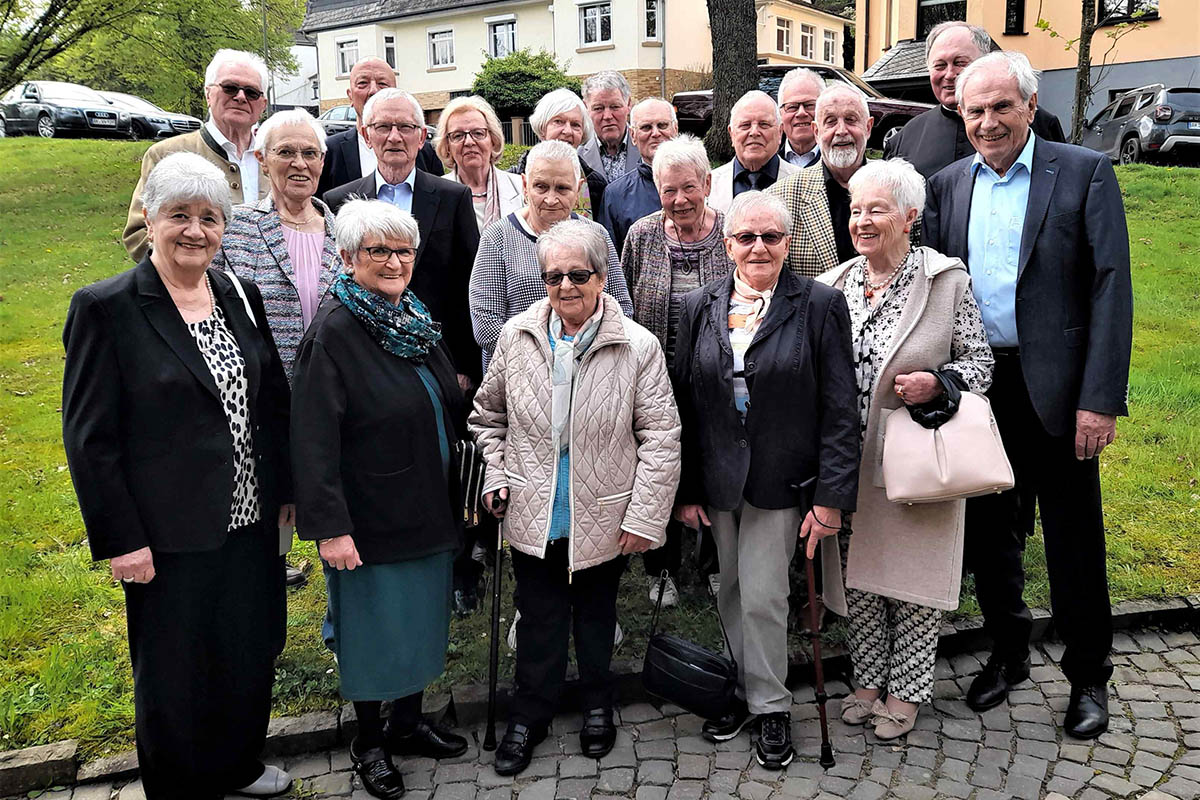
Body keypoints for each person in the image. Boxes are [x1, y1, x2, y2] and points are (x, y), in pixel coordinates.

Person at [63, 152, 293, 800]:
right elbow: (90, 437)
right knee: (172, 671)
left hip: (249, 520)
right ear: (149, 218)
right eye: (180, 216)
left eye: (209, 218)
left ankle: (239, 764)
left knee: (247, 651)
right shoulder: (106, 308)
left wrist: (286, 491)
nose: (196, 231)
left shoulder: (235, 292)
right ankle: (179, 787)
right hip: (165, 533)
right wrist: (122, 539)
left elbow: (271, 395)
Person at [923, 52, 1133, 739]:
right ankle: (1009, 654)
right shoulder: (948, 184)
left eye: (1000, 107)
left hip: (1060, 391)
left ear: (1030, 103)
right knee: (991, 536)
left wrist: (1098, 400)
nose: (987, 122)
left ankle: (1088, 676)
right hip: (981, 389)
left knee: (1074, 540)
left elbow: (1111, 290)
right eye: (974, 110)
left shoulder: (1081, 171)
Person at [470, 219, 681, 777]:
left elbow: (661, 436)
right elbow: (488, 417)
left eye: (578, 274)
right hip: (533, 509)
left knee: (595, 615)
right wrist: (495, 476)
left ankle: (596, 703)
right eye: (554, 276)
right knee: (537, 617)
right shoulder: (517, 337)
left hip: (604, 509)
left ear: (602, 276)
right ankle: (529, 714)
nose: (566, 286)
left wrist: (645, 515)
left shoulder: (638, 346)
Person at [671, 191, 859, 769]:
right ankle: (741, 690)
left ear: (787, 243)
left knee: (764, 596)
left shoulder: (819, 304)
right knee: (727, 590)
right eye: (746, 237)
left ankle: (773, 708)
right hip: (717, 476)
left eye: (771, 237)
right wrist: (685, 490)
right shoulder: (700, 304)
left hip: (783, 478)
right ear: (726, 245)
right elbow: (683, 400)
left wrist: (832, 498)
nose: (758, 247)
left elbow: (840, 408)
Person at [291, 199, 472, 799]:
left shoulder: (411, 316)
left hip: (425, 503)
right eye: (379, 251)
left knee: (421, 618)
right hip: (370, 516)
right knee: (371, 630)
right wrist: (330, 528)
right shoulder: (337, 329)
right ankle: (368, 740)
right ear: (347, 258)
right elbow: (313, 438)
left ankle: (409, 721)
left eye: (404, 251)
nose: (395, 262)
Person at [816, 159, 993, 739]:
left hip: (916, 457)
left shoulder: (946, 281)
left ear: (910, 216)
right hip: (850, 457)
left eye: (877, 210)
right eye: (856, 209)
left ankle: (908, 691)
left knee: (912, 580)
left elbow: (981, 363)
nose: (861, 220)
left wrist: (938, 383)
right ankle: (866, 681)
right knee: (858, 574)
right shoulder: (837, 284)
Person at [620, 133, 732, 605]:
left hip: (714, 374)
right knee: (655, 465)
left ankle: (713, 563)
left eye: (689, 187)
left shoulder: (730, 232)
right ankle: (659, 567)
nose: (680, 199)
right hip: (653, 375)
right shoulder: (642, 234)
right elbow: (622, 300)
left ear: (707, 183)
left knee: (712, 461)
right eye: (669, 190)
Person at [324, 88, 481, 387]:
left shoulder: (453, 197)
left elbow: (468, 284)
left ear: (421, 137)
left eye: (405, 127)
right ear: (366, 135)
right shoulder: (339, 201)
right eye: (383, 127)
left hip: (437, 357)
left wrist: (463, 365)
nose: (394, 137)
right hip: (362, 359)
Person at [469, 139, 634, 368]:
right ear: (525, 186)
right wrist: (550, 358)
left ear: (578, 189)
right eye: (541, 187)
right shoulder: (498, 238)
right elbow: (485, 324)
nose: (551, 198)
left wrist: (581, 356)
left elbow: (622, 309)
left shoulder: (597, 236)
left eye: (562, 188)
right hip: (518, 376)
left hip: (589, 374)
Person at [213, 108, 340, 380]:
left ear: (322, 160)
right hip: (261, 393)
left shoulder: (345, 233)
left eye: (309, 153)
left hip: (335, 391)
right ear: (262, 160)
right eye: (285, 152)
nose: (299, 163)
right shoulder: (233, 227)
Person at [124, 49, 270, 261]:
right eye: (230, 88)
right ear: (208, 94)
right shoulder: (166, 154)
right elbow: (139, 234)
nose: (240, 97)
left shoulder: (277, 159)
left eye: (251, 92)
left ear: (262, 104)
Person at [884, 21, 1066, 179]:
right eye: (940, 65)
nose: (949, 74)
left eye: (960, 63)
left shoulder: (1039, 122)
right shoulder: (906, 137)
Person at [768, 84, 873, 277]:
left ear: (868, 127)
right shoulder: (781, 198)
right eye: (830, 122)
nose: (841, 131)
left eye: (851, 120)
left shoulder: (896, 189)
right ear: (816, 132)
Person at [316, 57, 443, 197]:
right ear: (350, 96)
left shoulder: (426, 153)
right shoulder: (329, 152)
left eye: (382, 83)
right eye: (363, 83)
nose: (373, 90)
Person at [509, 87, 610, 224]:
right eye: (558, 122)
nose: (568, 131)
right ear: (542, 128)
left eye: (575, 125)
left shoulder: (596, 184)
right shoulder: (512, 180)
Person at [601, 97, 678, 255]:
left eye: (662, 125)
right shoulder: (615, 195)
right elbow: (609, 260)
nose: (655, 133)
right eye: (646, 127)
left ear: (675, 129)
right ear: (633, 135)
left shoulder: (702, 181)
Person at [435, 95, 523, 231]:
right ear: (447, 146)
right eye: (458, 136)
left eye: (478, 133)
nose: (469, 142)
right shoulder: (435, 194)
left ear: (493, 139)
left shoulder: (522, 189)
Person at [708, 91, 799, 212]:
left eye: (764, 124)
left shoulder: (802, 183)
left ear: (779, 132)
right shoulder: (709, 185)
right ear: (731, 134)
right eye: (745, 125)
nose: (754, 132)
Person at [577, 71, 641, 181]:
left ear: (628, 104)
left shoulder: (646, 148)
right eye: (598, 108)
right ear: (586, 108)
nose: (607, 116)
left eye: (615, 106)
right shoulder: (578, 154)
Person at [777, 68, 825, 168]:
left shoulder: (838, 162)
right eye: (792, 107)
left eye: (810, 105)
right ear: (780, 113)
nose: (801, 113)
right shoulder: (767, 160)